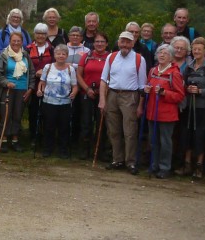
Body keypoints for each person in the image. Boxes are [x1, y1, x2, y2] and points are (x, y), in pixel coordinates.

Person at [98, 31, 147, 173]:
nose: (125, 45)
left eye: (128, 42)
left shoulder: (139, 59)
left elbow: (142, 85)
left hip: (130, 96)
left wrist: (140, 105)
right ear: (118, 42)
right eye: (122, 41)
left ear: (132, 43)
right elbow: (103, 79)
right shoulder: (111, 57)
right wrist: (102, 100)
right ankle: (117, 159)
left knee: (130, 130)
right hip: (112, 94)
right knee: (113, 129)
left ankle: (130, 161)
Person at [144, 44, 186, 179]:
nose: (161, 55)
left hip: (167, 114)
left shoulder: (174, 73)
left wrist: (164, 93)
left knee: (165, 141)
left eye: (165, 53)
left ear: (171, 57)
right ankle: (154, 164)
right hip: (152, 111)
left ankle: (165, 167)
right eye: (160, 52)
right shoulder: (152, 71)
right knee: (153, 140)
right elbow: (148, 86)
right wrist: (146, 90)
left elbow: (180, 95)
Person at [180, 37, 205, 178]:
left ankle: (199, 166)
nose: (196, 51)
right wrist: (187, 88)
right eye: (194, 49)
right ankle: (187, 165)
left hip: (202, 107)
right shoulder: (189, 66)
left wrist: (200, 91)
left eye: (199, 49)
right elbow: (182, 84)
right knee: (187, 134)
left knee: (200, 135)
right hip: (189, 105)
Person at [0, 31, 34, 152]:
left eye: (18, 41)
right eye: (13, 41)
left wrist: (31, 89)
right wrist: (6, 83)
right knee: (6, 115)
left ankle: (15, 140)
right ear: (9, 42)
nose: (16, 43)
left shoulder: (26, 55)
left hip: (22, 90)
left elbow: (31, 73)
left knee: (17, 115)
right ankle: (4, 140)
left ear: (22, 42)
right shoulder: (4, 55)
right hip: (7, 90)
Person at [37, 44, 78, 158]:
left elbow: (75, 85)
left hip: (65, 103)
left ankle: (63, 150)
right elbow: (42, 82)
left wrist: (74, 92)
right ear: (54, 55)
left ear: (67, 56)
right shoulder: (48, 67)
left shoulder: (71, 69)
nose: (61, 56)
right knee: (49, 126)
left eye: (63, 54)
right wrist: (39, 90)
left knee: (64, 127)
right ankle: (47, 149)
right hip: (49, 102)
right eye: (58, 53)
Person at [77, 31, 110, 160]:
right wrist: (87, 88)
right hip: (87, 93)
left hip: (104, 94)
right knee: (86, 123)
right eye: (97, 41)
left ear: (107, 43)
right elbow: (79, 75)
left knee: (102, 123)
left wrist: (104, 92)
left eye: (102, 41)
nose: (99, 44)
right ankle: (84, 150)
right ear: (93, 43)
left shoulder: (111, 57)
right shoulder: (86, 56)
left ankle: (100, 151)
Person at [27, 22, 54, 145]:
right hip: (32, 83)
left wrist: (45, 72)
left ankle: (46, 136)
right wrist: (34, 73)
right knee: (33, 110)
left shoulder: (52, 49)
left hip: (49, 84)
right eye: (38, 33)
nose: (40, 36)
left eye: (43, 34)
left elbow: (56, 65)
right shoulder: (27, 49)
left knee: (47, 111)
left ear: (46, 35)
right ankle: (34, 135)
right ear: (34, 34)